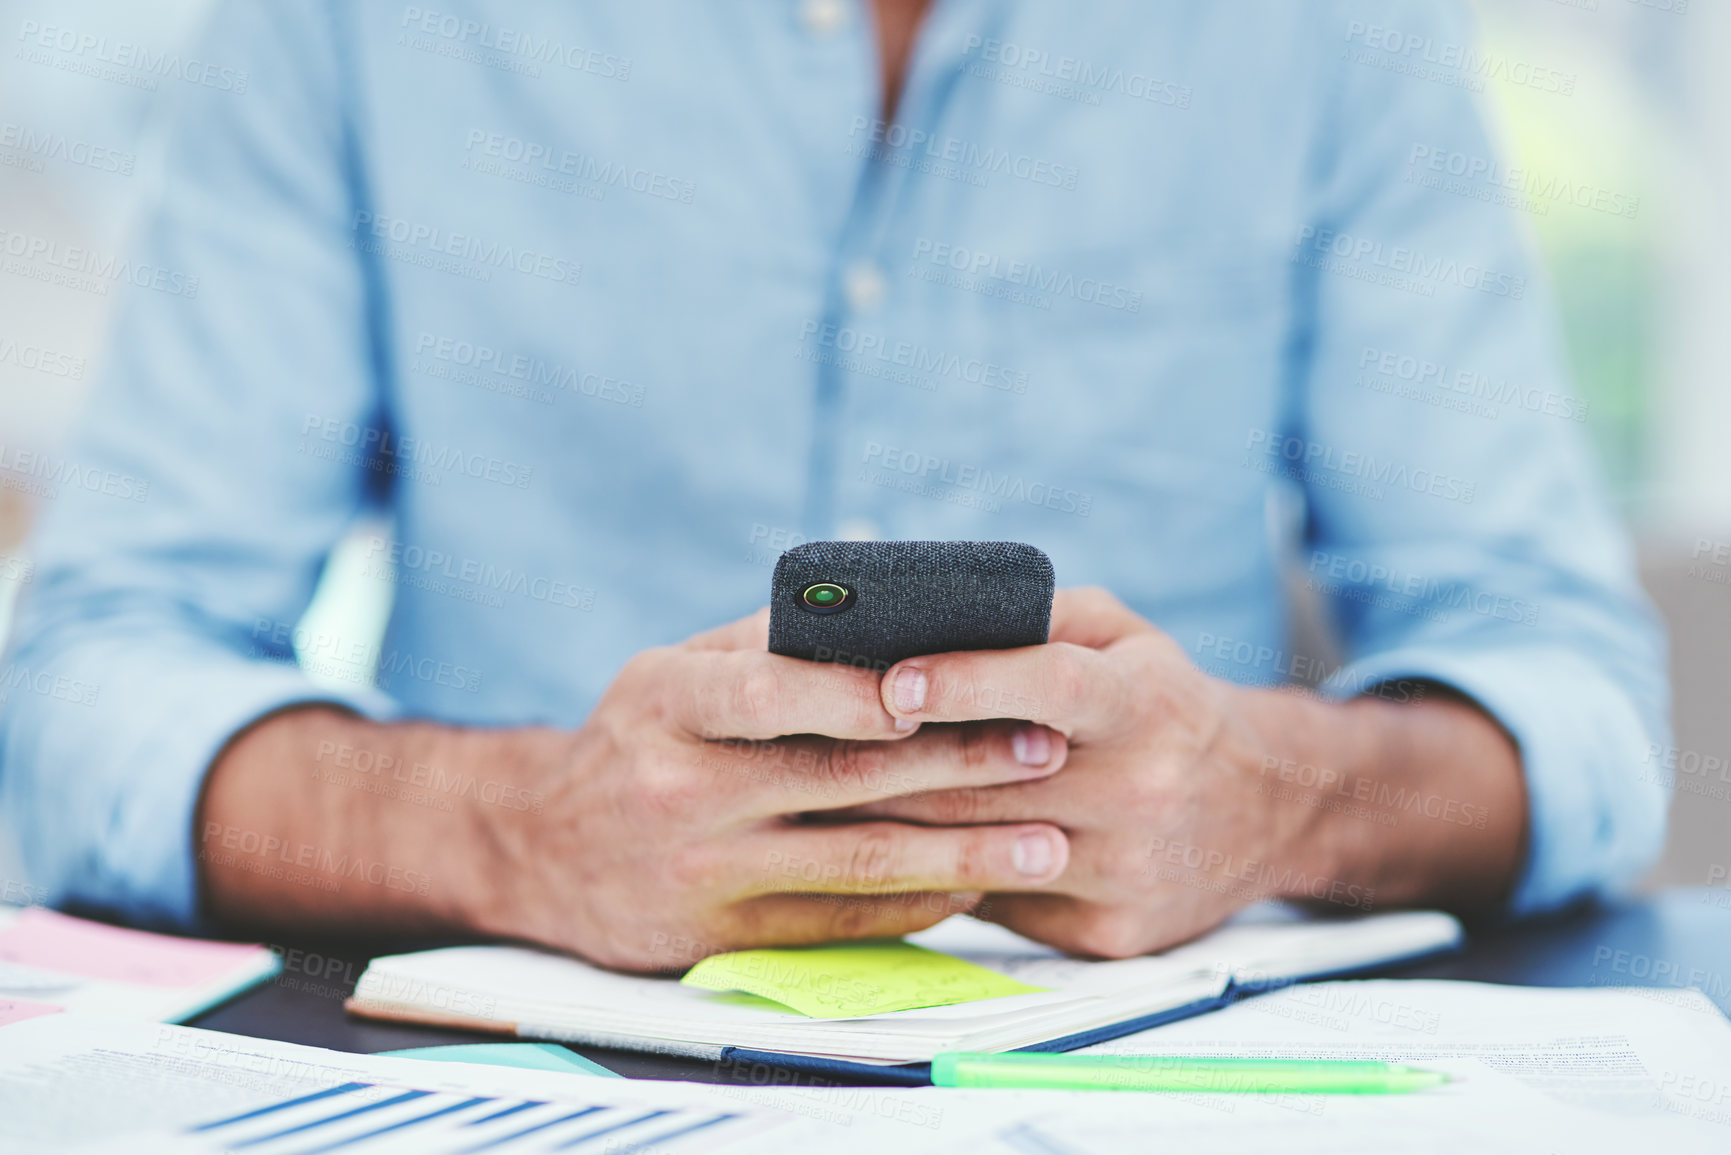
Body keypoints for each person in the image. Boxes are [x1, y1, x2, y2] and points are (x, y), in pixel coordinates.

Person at [0, 0, 1668, 971]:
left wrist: (1272, 796)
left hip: (1161, 1067)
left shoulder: (1330, 30)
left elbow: (1572, 695)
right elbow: (94, 680)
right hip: (525, 1055)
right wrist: (527, 834)